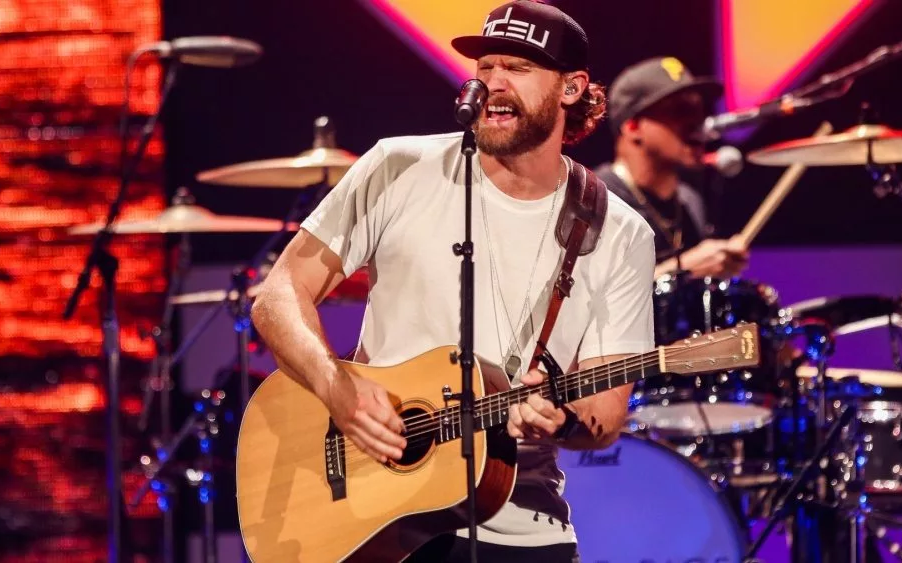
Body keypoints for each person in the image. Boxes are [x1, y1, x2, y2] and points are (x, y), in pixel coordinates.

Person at [250, 1, 655, 561]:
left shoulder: (618, 230)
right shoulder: (397, 167)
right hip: (371, 517)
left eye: (517, 67)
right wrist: (335, 388)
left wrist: (557, 420)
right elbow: (278, 294)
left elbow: (605, 415)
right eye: (485, 66)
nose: (492, 82)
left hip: (520, 522)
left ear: (571, 88)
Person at [595, 57, 749, 280]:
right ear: (633, 127)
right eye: (681, 110)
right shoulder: (595, 199)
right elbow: (589, 301)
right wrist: (683, 270)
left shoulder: (689, 201)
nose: (699, 123)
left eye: (699, 109)